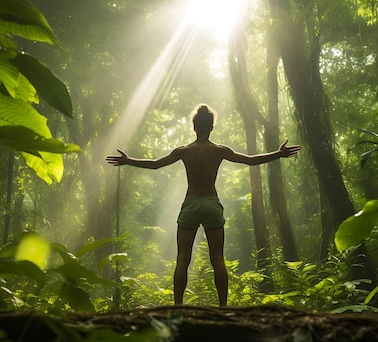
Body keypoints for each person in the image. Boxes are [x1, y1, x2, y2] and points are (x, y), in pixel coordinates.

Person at [106, 104, 300, 306]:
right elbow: (250, 160)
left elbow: (155, 164)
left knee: (182, 259)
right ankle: (223, 307)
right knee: (218, 258)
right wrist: (278, 154)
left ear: (194, 126)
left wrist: (128, 161)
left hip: (190, 204)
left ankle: (178, 306)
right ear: (211, 127)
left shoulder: (184, 151)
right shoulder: (219, 151)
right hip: (211, 204)